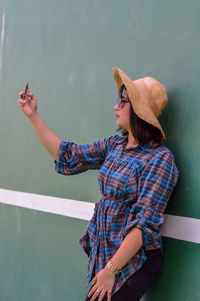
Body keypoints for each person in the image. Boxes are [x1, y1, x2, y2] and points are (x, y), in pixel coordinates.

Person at [18, 67, 179, 301]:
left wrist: (111, 271)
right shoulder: (115, 145)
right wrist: (33, 115)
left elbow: (143, 225)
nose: (116, 106)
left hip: (135, 260)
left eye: (123, 101)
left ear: (139, 111)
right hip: (107, 251)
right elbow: (69, 155)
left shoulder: (160, 160)